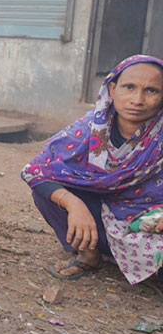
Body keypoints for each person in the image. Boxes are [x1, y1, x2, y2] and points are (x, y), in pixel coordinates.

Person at [23, 55, 163, 294]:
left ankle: (148, 269)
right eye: (129, 87)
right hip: (100, 217)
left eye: (151, 91)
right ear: (113, 88)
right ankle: (89, 253)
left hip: (150, 226)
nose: (137, 100)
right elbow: (36, 170)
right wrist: (74, 204)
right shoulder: (90, 127)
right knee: (48, 193)